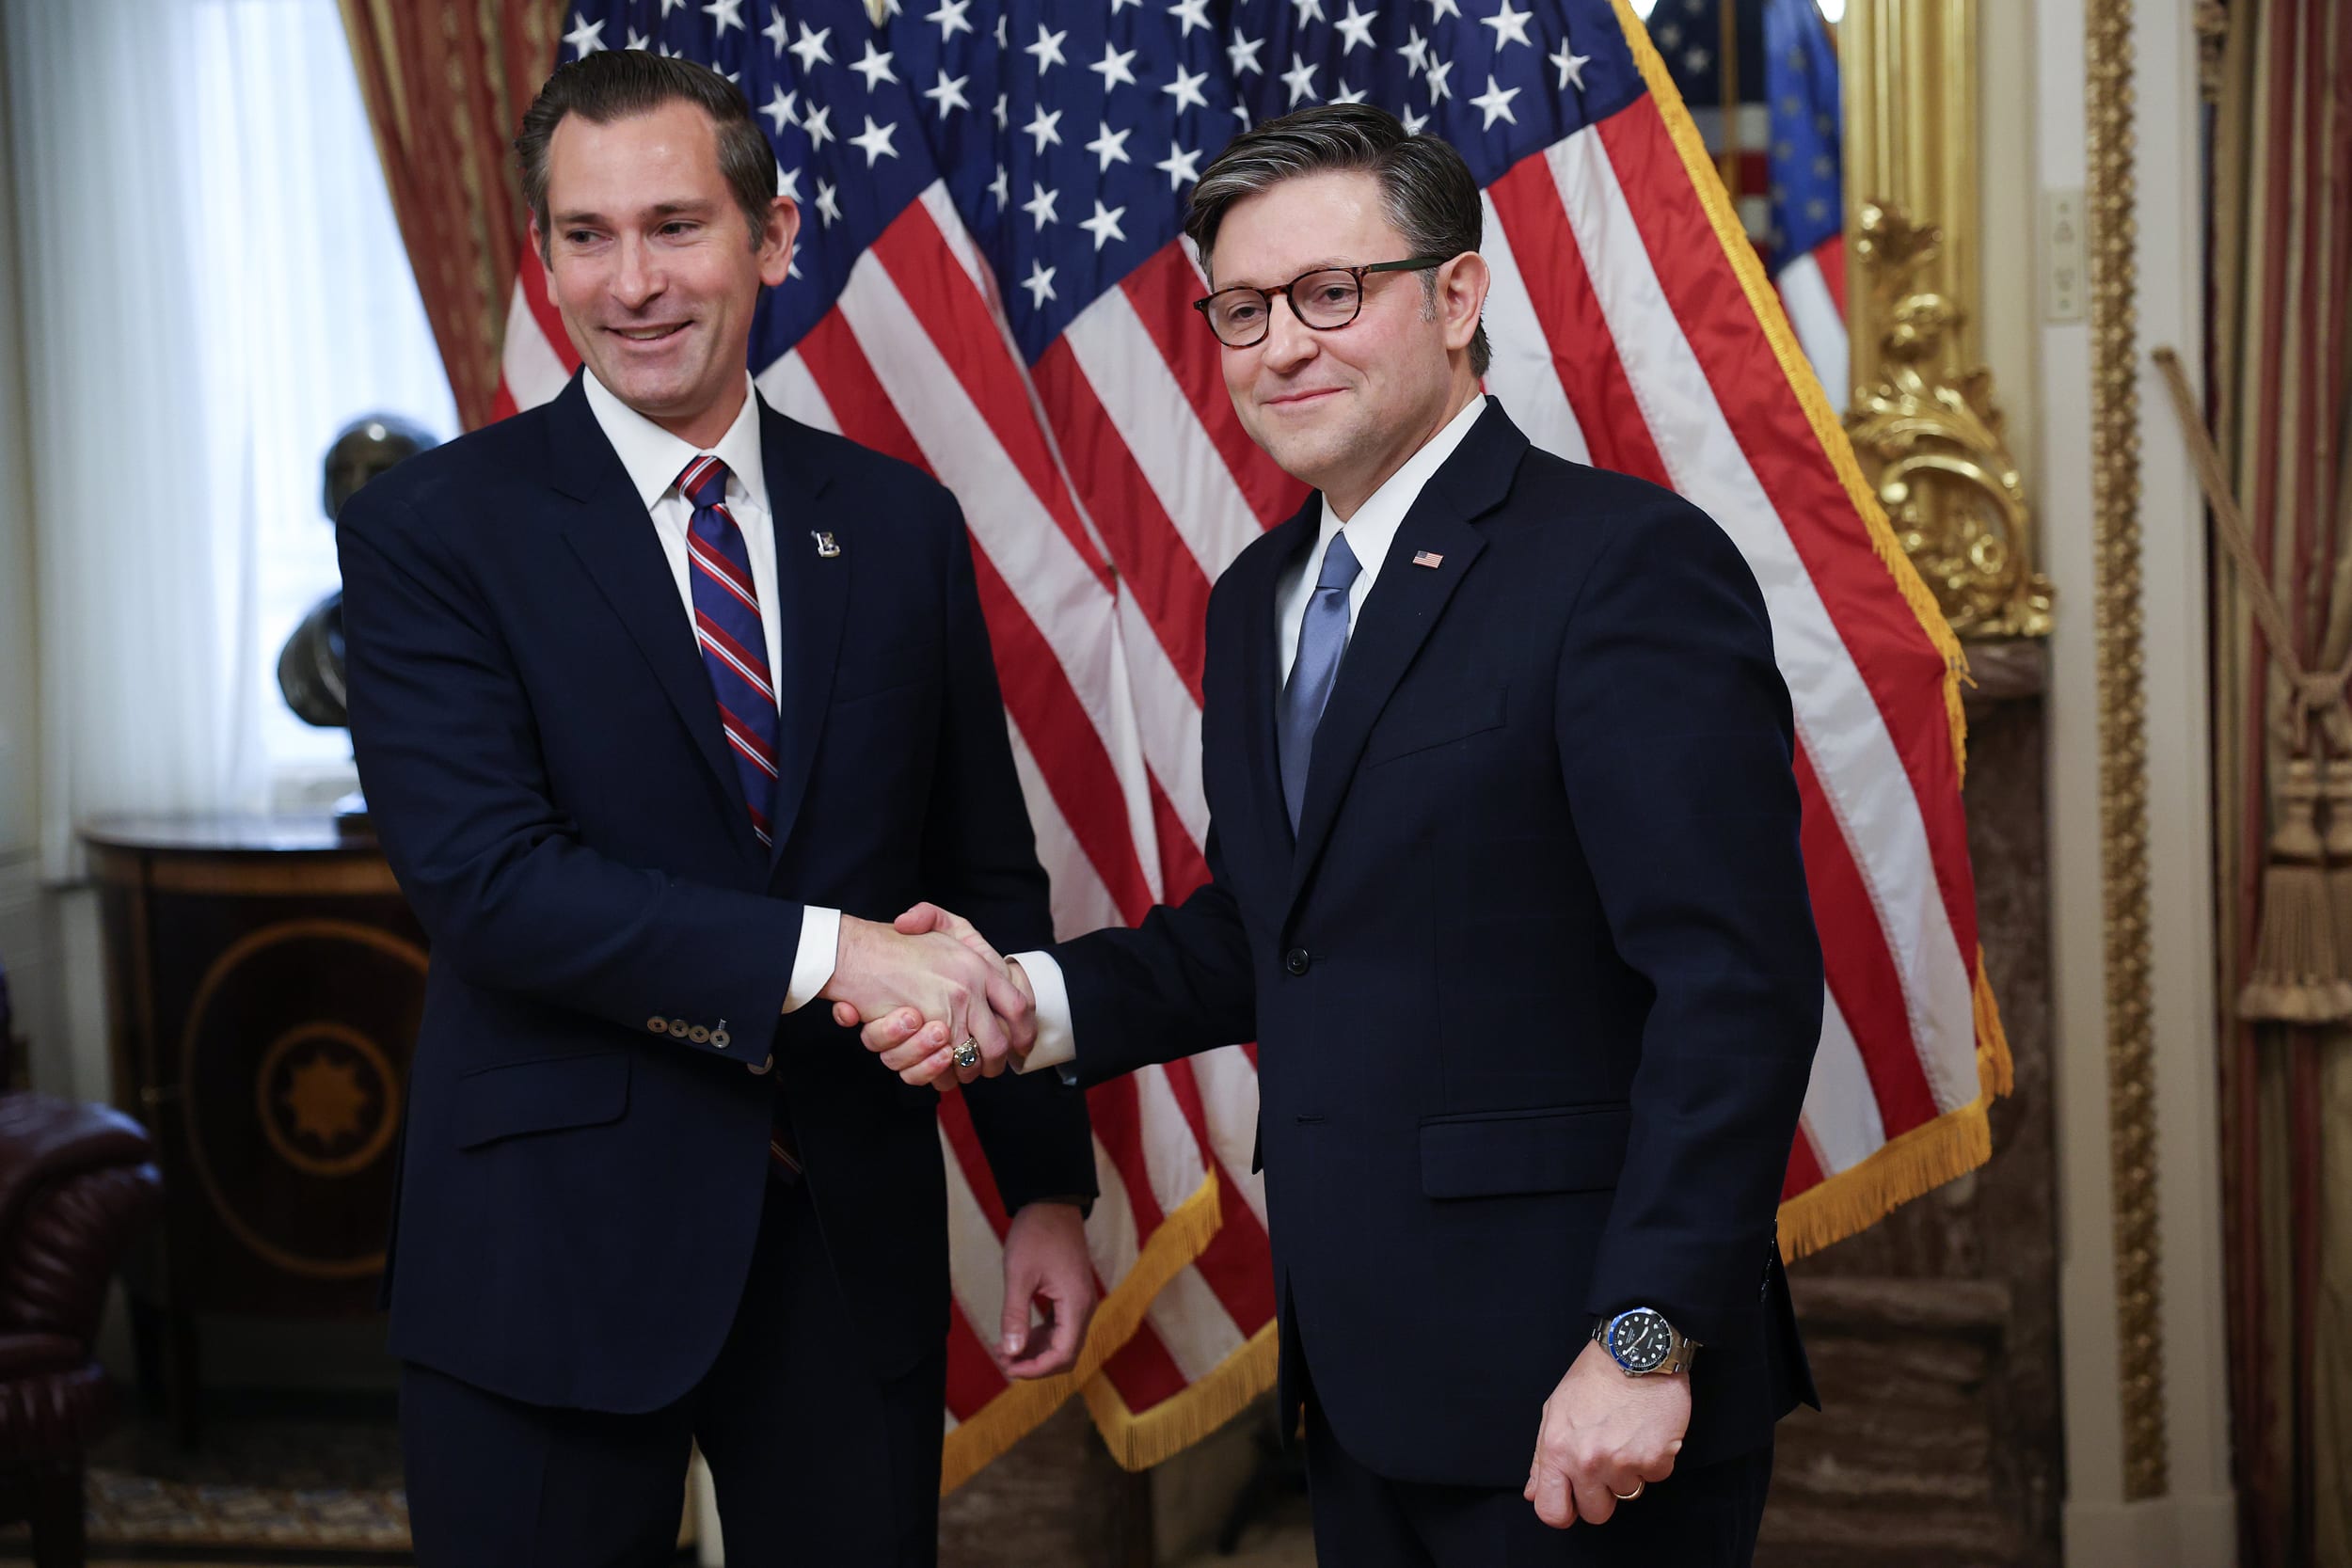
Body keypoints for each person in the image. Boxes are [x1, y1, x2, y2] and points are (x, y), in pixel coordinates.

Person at [855, 103, 1823, 1567]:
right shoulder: (1258, 602)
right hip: (1363, 1391)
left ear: (1456, 294)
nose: (1283, 346)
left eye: (1330, 294)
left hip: (1588, 1389)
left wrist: (1646, 1339)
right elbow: (1271, 928)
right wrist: (1019, 1001)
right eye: (1243, 311)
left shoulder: (1623, 568)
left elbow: (1734, 991)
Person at [339, 52, 1096, 1567]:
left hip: (846, 1237)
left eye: (676, 226)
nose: (633, 283)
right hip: (547, 1251)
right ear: (543, 256)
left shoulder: (896, 524)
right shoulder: (432, 532)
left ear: (776, 236)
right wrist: (834, 956)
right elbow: (494, 888)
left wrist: (1044, 1191)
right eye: (586, 236)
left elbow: (980, 872)